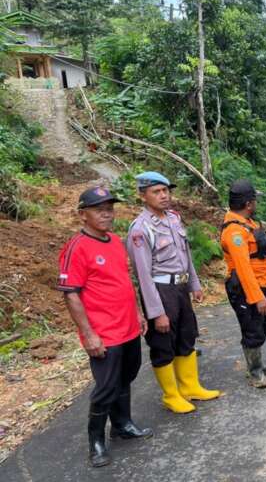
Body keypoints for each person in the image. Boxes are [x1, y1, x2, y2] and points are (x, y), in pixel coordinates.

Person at [57, 186, 152, 468]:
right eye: (99, 209)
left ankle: (122, 424)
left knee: (127, 376)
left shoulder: (114, 241)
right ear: (83, 214)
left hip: (128, 327)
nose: (106, 213)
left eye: (109, 208)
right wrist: (89, 334)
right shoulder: (77, 247)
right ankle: (96, 441)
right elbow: (71, 293)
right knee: (106, 386)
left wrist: (138, 312)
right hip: (104, 333)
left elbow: (126, 281)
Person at [126, 171, 220, 414]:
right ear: (143, 195)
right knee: (163, 342)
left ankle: (190, 387)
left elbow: (185, 255)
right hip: (160, 289)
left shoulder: (174, 219)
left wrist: (194, 285)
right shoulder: (140, 229)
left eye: (166, 190)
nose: (163, 195)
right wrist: (156, 312)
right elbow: (143, 275)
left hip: (180, 287)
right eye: (156, 191)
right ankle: (171, 395)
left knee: (186, 336)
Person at [221, 179, 266, 388]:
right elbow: (243, 268)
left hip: (259, 283)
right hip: (245, 288)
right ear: (248, 204)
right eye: (255, 201)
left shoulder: (249, 224)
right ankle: (255, 373)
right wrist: (258, 297)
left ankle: (258, 364)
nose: (256, 204)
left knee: (262, 325)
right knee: (252, 328)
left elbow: (259, 254)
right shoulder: (234, 232)